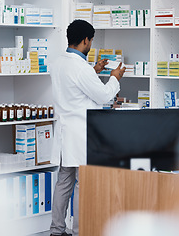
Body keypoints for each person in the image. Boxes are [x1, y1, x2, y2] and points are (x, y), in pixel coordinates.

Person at [49, 20, 126, 236]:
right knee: (84, 186)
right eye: (91, 41)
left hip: (65, 134)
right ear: (85, 40)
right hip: (81, 135)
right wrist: (114, 78)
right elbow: (102, 95)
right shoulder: (80, 68)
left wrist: (94, 70)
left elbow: (73, 85)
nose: (91, 44)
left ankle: (56, 230)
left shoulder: (59, 63)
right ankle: (81, 231)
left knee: (63, 183)